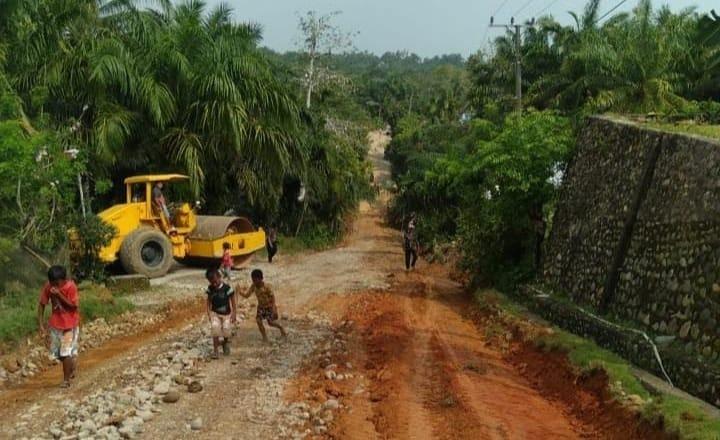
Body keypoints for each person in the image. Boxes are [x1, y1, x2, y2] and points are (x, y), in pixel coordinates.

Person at [37, 265, 80, 388]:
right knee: (57, 353)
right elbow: (42, 305)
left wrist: (59, 295)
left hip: (70, 325)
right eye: (52, 283)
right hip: (56, 324)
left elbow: (73, 306)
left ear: (63, 280)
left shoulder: (71, 287)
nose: (54, 286)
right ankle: (71, 364)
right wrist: (40, 324)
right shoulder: (49, 287)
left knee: (65, 352)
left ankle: (66, 380)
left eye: (56, 283)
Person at [239, 269, 287, 342]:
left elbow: (272, 298)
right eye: (253, 279)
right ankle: (264, 337)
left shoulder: (267, 287)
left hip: (269, 307)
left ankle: (281, 328)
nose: (254, 281)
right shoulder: (253, 286)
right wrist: (239, 292)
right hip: (261, 307)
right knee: (258, 321)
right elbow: (247, 295)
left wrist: (274, 308)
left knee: (270, 323)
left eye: (255, 279)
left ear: (261, 279)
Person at [205, 268, 236, 359]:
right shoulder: (210, 289)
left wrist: (234, 313)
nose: (213, 284)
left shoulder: (227, 288)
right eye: (211, 282)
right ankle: (215, 351)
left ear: (219, 277)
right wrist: (208, 312)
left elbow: (233, 301)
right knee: (215, 329)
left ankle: (225, 343)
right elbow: (208, 300)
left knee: (226, 330)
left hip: (226, 314)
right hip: (215, 313)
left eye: (215, 281)